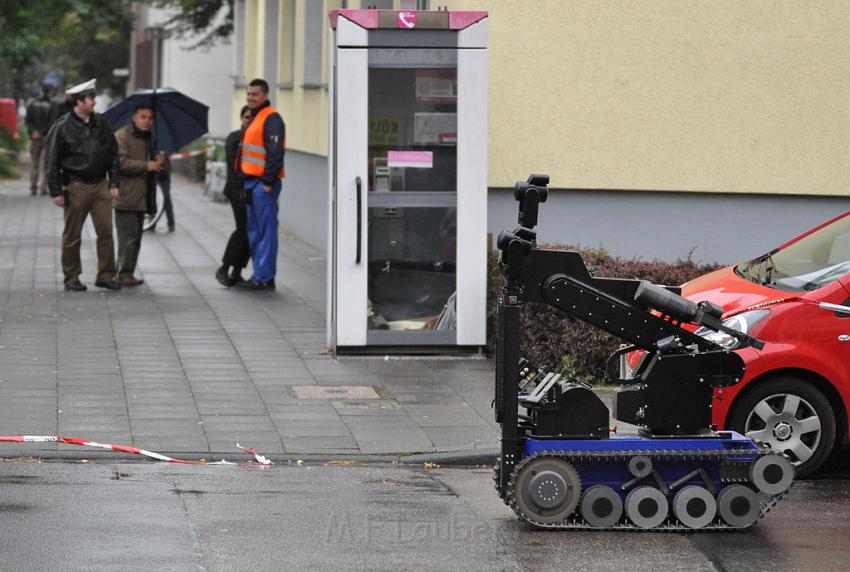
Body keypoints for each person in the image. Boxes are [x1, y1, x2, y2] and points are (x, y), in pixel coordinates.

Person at [44, 79, 122, 291]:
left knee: (106, 232)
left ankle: (106, 275)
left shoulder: (102, 123)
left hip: (101, 186)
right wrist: (56, 191)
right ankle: (71, 278)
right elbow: (51, 161)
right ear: (79, 102)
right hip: (75, 187)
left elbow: (114, 154)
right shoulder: (61, 127)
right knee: (72, 235)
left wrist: (114, 181)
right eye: (91, 99)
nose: (94, 103)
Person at [235, 78, 286, 291]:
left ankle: (264, 278)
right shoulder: (256, 117)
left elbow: (275, 152)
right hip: (251, 182)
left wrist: (268, 182)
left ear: (264, 95)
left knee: (266, 232)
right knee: (254, 232)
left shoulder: (271, 118)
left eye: (254, 94)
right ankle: (260, 274)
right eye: (248, 94)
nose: (250, 98)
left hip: (263, 185)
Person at [114, 105, 166, 287]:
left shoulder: (150, 138)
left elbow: (153, 167)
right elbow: (119, 163)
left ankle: (128, 271)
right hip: (127, 195)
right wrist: (146, 165)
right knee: (127, 238)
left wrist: (158, 162)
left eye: (150, 118)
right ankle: (123, 273)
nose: (147, 121)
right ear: (134, 118)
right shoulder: (122, 136)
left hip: (143, 195)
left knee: (136, 238)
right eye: (143, 117)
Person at [216, 105, 253, 287]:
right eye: (247, 117)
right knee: (243, 228)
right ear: (241, 119)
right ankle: (224, 267)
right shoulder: (235, 137)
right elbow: (236, 165)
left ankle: (237, 271)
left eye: (252, 117)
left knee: (251, 230)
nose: (250, 119)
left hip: (251, 189)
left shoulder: (256, 138)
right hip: (236, 189)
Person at [25, 83, 55, 195]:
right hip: (47, 137)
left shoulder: (32, 103)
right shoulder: (52, 104)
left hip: (35, 137)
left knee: (35, 163)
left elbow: (28, 120)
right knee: (48, 163)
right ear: (50, 91)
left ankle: (33, 186)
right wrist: (43, 132)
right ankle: (44, 188)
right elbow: (52, 122)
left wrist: (34, 132)